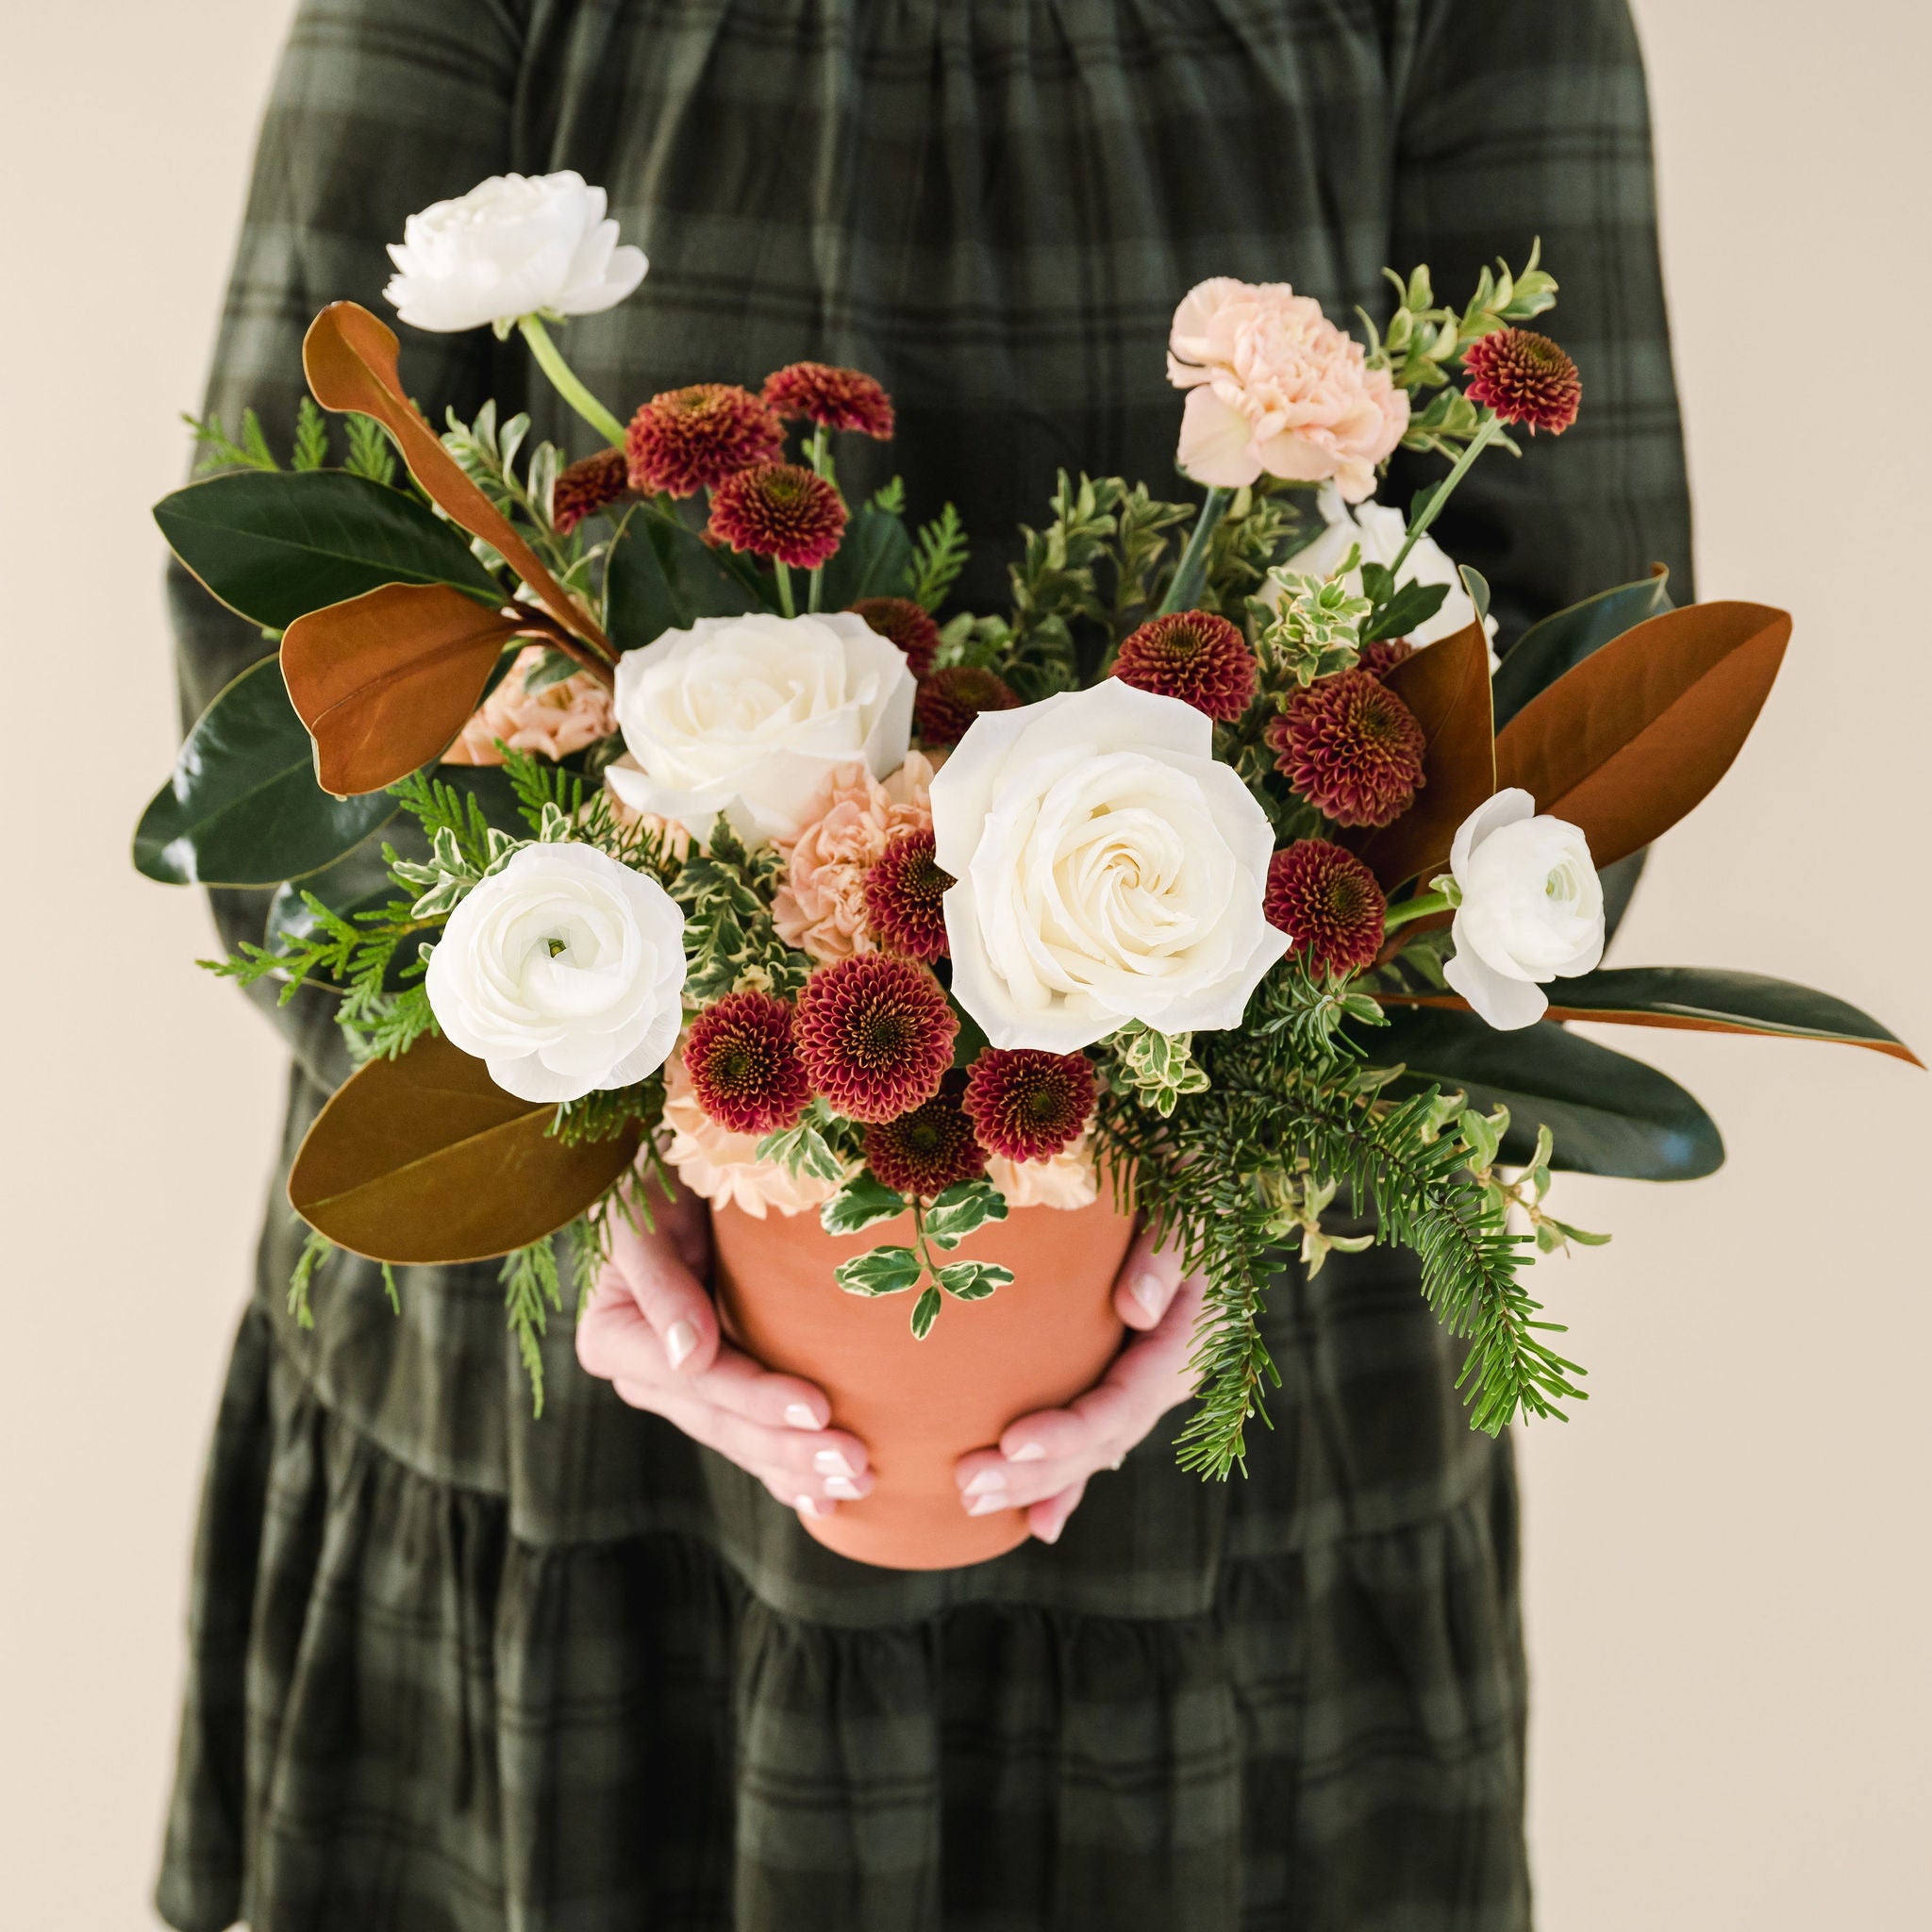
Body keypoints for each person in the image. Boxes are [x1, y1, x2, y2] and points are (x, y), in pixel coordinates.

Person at [156, 3, 1691, 1927]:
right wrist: (563, 1160)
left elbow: (1572, 692)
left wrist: (1247, 1181)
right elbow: (288, 632)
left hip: (1224, 1436)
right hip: (574, 1435)